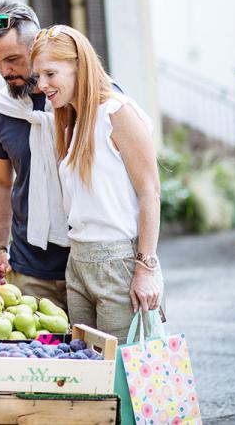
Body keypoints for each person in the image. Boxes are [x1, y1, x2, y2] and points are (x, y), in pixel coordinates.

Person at [30, 24, 164, 343]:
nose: (42, 85)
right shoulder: (70, 121)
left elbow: (150, 192)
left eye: (50, 73)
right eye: (38, 76)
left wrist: (146, 268)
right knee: (89, 373)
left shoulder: (117, 113)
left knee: (121, 373)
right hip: (78, 263)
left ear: (79, 65)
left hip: (118, 262)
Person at [0, 0, 71, 310]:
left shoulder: (78, 100)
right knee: (45, 349)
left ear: (37, 48)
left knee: (91, 350)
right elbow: (1, 183)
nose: (5, 71)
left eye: (13, 59)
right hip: (29, 272)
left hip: (87, 266)